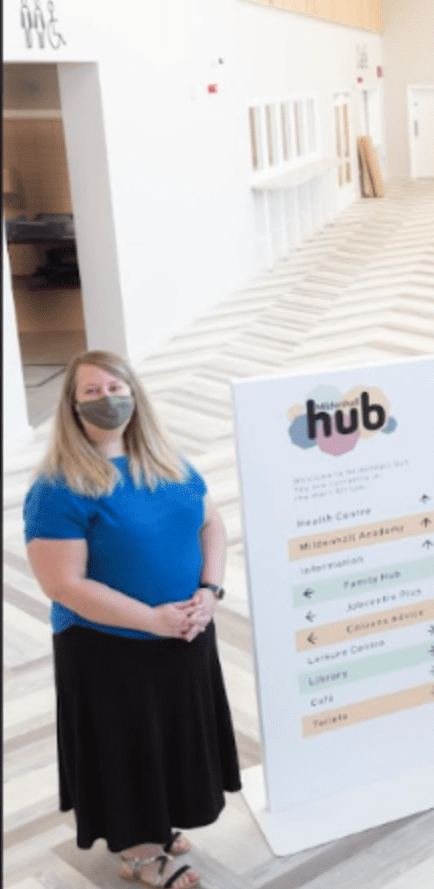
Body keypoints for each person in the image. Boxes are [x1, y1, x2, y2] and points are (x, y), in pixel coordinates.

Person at [24, 351, 239, 889]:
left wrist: (209, 592)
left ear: (135, 393)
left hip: (184, 631)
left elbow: (212, 524)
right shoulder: (57, 487)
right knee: (130, 748)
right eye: (91, 392)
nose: (106, 400)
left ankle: (158, 824)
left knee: (171, 737)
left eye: (114, 387)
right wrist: (151, 619)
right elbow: (62, 584)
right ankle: (140, 852)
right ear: (71, 407)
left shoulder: (169, 461)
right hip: (109, 646)